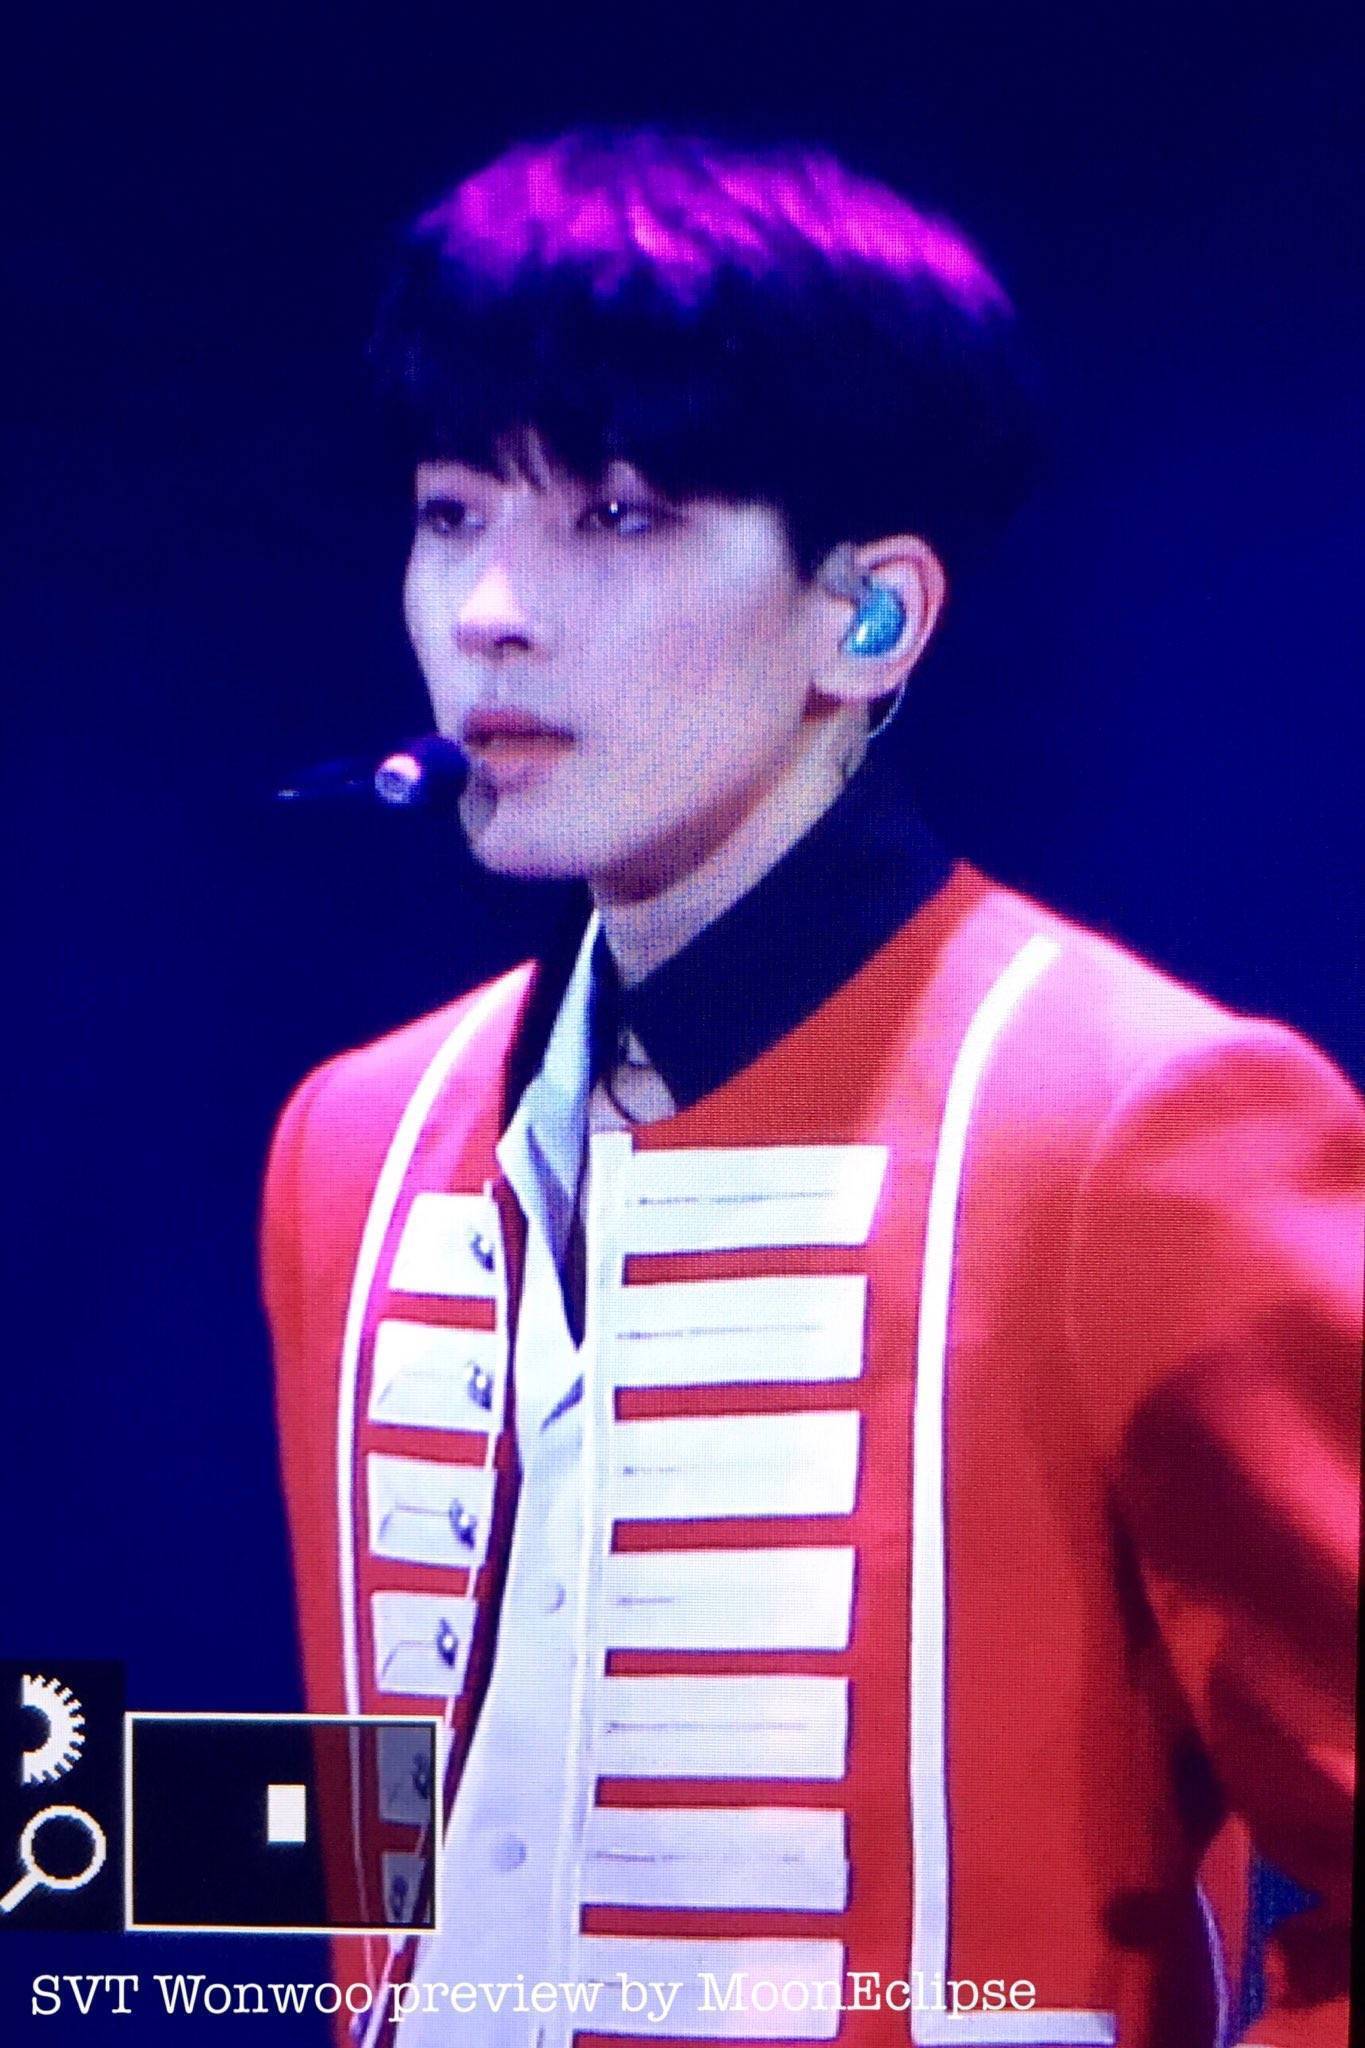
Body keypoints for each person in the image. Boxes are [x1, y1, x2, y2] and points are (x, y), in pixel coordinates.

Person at [260, 130, 1362, 2048]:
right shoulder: (349, 1146)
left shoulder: (1139, 1130)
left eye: (614, 515)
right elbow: (390, 1868)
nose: (486, 607)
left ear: (868, 618)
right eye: (450, 512)